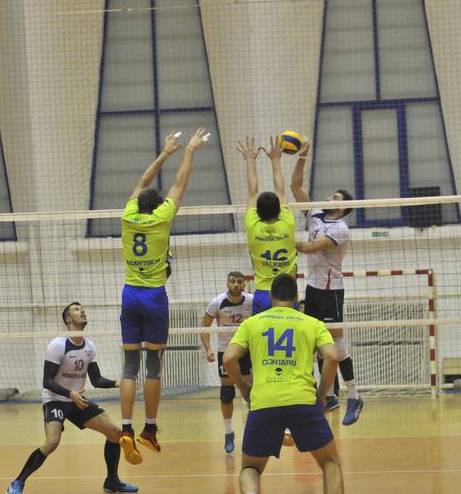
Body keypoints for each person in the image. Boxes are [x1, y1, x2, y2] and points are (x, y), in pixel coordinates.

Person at [118, 128, 208, 464]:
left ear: (138, 204)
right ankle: (150, 429)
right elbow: (180, 184)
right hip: (154, 296)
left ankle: (126, 428)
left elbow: (144, 181)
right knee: (153, 364)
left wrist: (165, 153)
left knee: (130, 366)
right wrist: (189, 151)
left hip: (130, 294)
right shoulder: (162, 218)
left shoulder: (127, 216)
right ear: (158, 208)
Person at [223, 274, 344, 494]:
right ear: (296, 297)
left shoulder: (251, 323)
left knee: (250, 468)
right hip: (303, 400)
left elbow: (229, 358)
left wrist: (244, 387)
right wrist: (321, 394)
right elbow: (333, 356)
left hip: (263, 401)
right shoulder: (313, 324)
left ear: (271, 296)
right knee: (330, 462)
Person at [6, 303, 137, 494]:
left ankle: (112, 481)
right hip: (55, 399)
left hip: (77, 401)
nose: (82, 311)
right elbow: (47, 382)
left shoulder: (90, 346)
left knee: (115, 433)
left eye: (82, 308)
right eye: (76, 309)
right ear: (68, 319)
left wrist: (118, 383)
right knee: (52, 442)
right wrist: (70, 394)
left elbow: (96, 380)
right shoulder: (58, 345)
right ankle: (17, 482)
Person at [290, 136, 363, 425]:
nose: (329, 199)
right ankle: (329, 396)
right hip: (313, 287)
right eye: (330, 196)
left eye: (335, 198)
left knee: (337, 346)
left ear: (343, 208)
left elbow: (312, 248)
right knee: (315, 343)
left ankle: (354, 395)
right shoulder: (316, 213)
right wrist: (302, 156)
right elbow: (296, 188)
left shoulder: (341, 229)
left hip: (331, 291)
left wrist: (282, 239)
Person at [238, 136, 298, 316]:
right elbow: (280, 190)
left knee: (262, 333)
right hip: (288, 293)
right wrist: (276, 160)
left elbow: (252, 191)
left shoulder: (252, 225)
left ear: (257, 211)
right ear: (279, 210)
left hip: (264, 293)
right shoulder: (287, 223)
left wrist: (250, 160)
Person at [200, 271, 254, 453]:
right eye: (233, 282)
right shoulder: (217, 302)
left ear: (244, 284)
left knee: (250, 393)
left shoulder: (252, 301)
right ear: (227, 283)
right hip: (225, 352)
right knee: (227, 393)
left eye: (239, 282)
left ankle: (252, 430)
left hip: (245, 350)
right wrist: (208, 349)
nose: (236, 285)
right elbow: (204, 327)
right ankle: (228, 432)